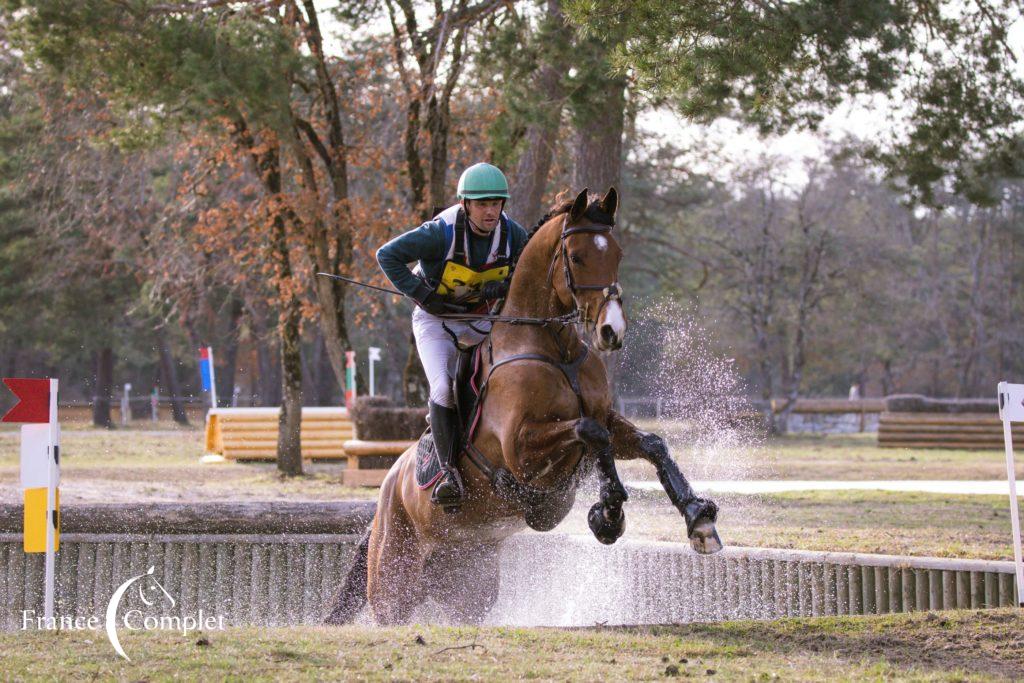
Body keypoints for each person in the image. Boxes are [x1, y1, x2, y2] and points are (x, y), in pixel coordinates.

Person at [376, 163, 529, 507]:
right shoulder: (438, 233)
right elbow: (386, 256)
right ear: (465, 204)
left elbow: (527, 274)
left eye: (496, 203)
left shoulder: (514, 234)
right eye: (482, 203)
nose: (491, 211)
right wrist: (422, 293)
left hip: (480, 320)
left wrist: (505, 285)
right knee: (444, 388)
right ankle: (448, 474)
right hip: (435, 321)